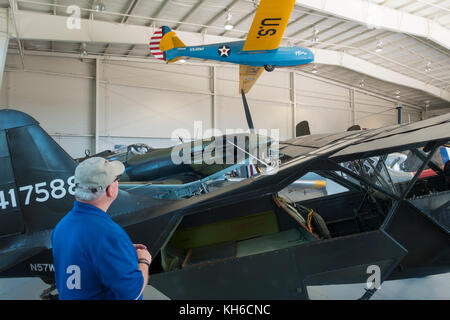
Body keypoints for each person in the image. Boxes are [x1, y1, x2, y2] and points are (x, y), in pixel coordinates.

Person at [51, 157, 152, 300]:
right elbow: (132, 293)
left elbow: (86, 258)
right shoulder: (108, 234)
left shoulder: (61, 227)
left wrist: (122, 251)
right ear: (110, 189)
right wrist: (144, 260)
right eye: (116, 179)